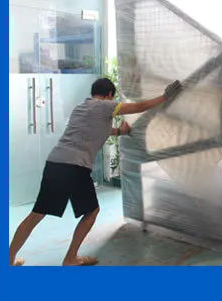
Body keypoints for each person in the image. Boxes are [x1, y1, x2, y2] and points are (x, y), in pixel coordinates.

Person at [9, 74, 175, 267]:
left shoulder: (80, 108)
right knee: (92, 211)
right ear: (109, 94)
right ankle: (71, 258)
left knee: (37, 214)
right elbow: (139, 106)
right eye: (113, 97)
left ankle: (9, 259)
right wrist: (165, 97)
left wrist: (120, 132)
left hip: (55, 162)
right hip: (75, 166)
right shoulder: (105, 106)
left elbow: (96, 129)